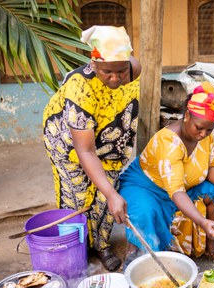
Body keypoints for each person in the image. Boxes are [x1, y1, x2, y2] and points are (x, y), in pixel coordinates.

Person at [119, 81, 214, 270]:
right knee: (144, 214)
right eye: (199, 128)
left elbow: (212, 166)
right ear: (187, 115)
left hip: (182, 188)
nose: (204, 134)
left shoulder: (208, 132)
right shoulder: (169, 142)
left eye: (209, 129)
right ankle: (137, 253)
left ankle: (210, 246)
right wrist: (201, 220)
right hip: (147, 187)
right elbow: (176, 192)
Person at [42, 25, 141, 271]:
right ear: (94, 61)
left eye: (121, 71)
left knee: (106, 202)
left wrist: (110, 194)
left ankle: (101, 244)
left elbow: (128, 73)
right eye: (108, 71)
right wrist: (111, 193)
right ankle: (78, 247)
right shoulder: (80, 87)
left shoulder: (133, 67)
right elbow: (84, 151)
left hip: (109, 143)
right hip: (70, 145)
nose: (116, 78)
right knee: (77, 196)